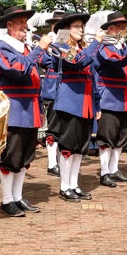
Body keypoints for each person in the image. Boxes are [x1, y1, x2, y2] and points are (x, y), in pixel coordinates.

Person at [0, 6, 52, 216]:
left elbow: (37, 77)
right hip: (15, 107)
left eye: (26, 20)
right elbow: (20, 70)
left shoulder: (26, 48)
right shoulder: (2, 47)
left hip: (31, 106)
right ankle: (7, 200)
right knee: (11, 155)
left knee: (26, 156)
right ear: (9, 25)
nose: (26, 25)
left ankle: (17, 196)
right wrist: (38, 49)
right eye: (21, 21)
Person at [47, 12, 103, 201]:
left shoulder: (84, 48)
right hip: (70, 103)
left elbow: (93, 77)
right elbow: (77, 63)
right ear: (66, 30)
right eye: (76, 26)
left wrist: (97, 103)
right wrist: (96, 43)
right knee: (68, 147)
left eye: (81, 26)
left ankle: (74, 184)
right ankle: (64, 187)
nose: (81, 29)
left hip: (86, 103)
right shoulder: (60, 47)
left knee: (80, 147)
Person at [92, 12, 127, 187]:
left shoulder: (122, 46)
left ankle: (114, 169)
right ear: (110, 29)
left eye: (124, 27)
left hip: (124, 96)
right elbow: (117, 62)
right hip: (109, 96)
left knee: (121, 135)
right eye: (120, 27)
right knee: (107, 136)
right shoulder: (104, 46)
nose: (124, 30)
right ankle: (104, 172)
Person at [39, 11, 66, 175]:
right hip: (53, 89)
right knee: (54, 128)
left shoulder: (67, 42)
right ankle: (51, 163)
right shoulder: (47, 41)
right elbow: (42, 61)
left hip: (67, 90)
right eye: (57, 24)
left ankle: (61, 160)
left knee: (64, 128)